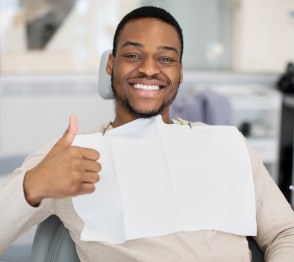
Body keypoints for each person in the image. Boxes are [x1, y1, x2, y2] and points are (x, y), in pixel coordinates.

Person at [1, 6, 294, 262]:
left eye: (165, 59)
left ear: (180, 72)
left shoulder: (228, 145)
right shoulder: (72, 153)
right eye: (132, 55)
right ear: (111, 65)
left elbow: (285, 231)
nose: (150, 69)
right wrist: (34, 185)